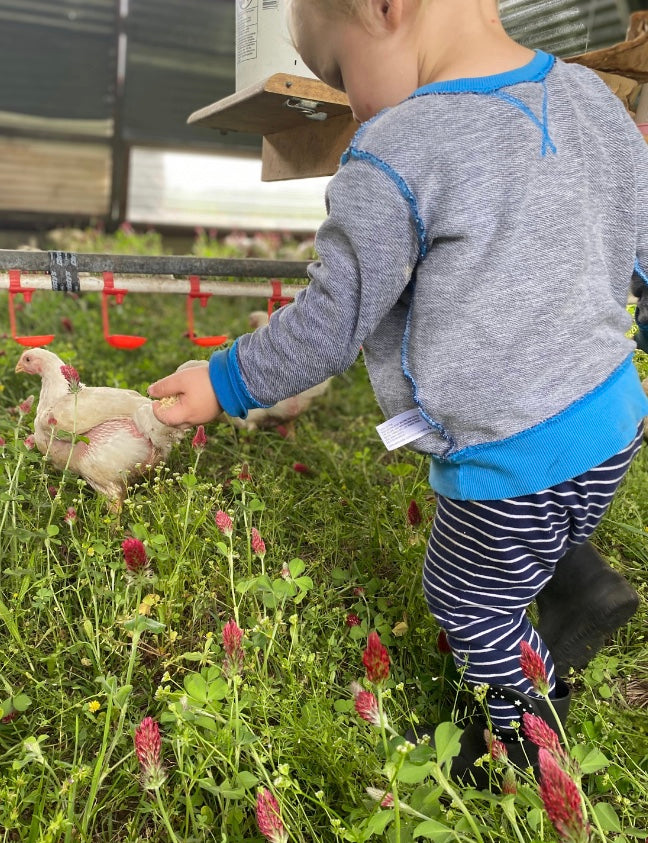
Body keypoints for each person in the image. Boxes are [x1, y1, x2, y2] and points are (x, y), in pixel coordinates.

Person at [148, 0, 648, 782]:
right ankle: (579, 586)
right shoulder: (590, 97)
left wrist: (223, 380)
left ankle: (520, 739)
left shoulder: (400, 146)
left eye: (341, 74)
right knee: (536, 526)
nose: (352, 104)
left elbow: (328, 322)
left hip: (510, 446)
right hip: (611, 420)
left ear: (385, 8)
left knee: (466, 595)